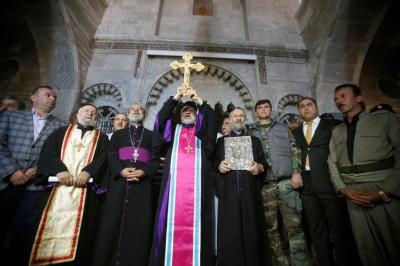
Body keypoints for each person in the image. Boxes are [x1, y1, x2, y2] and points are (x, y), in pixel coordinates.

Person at [328, 84, 400, 266]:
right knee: (367, 249)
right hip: (353, 195)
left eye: (343, 96)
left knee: (394, 244)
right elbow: (332, 162)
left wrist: (386, 191)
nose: (338, 101)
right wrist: (343, 190)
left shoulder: (384, 120)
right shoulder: (337, 131)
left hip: (385, 189)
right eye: (336, 98)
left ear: (359, 98)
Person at [28, 103, 109, 266]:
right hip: (57, 189)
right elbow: (49, 151)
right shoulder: (61, 133)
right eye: (87, 110)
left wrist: (88, 172)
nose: (91, 114)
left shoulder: (102, 138)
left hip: (85, 192)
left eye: (94, 113)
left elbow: (104, 158)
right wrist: (59, 170)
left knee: (82, 236)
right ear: (78, 114)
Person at [149, 90, 217, 266]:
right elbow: (159, 121)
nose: (187, 112)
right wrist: (174, 100)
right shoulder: (173, 131)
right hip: (173, 191)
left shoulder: (203, 132)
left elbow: (211, 122)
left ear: (197, 115)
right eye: (184, 110)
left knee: (200, 226)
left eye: (191, 110)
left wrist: (200, 101)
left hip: (199, 190)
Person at [0, 86, 65, 254]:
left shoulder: (61, 125)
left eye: (54, 97)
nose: (52, 99)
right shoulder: (10, 117)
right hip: (6, 180)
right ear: (33, 97)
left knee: (24, 228)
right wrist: (12, 171)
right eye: (48, 95)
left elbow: (59, 154)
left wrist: (39, 169)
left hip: (35, 184)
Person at [92, 104, 159, 266]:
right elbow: (112, 155)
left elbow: (155, 159)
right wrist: (121, 170)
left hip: (142, 185)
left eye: (140, 110)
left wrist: (144, 172)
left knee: (138, 224)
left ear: (144, 115)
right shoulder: (118, 134)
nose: (136, 111)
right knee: (111, 222)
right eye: (133, 109)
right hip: (119, 183)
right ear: (128, 114)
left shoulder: (151, 135)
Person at [248, 99, 309, 266]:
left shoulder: (283, 128)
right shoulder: (249, 131)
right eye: (259, 108)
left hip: (286, 182)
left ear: (271, 109)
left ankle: (301, 262)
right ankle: (280, 262)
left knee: (294, 226)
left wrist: (296, 172)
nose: (263, 110)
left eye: (266, 106)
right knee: (271, 229)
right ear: (256, 112)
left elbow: (295, 149)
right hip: (264, 185)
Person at [292, 97, 353, 266]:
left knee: (338, 227)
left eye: (309, 105)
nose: (306, 109)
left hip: (328, 182)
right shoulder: (295, 132)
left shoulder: (332, 126)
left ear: (317, 108)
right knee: (316, 229)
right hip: (307, 186)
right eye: (302, 106)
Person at [214, 107, 271, 266]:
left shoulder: (254, 141)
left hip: (250, 193)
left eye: (241, 116)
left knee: (253, 231)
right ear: (229, 120)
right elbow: (213, 165)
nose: (238, 118)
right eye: (235, 116)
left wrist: (258, 167)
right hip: (229, 194)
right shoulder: (220, 142)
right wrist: (219, 166)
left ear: (245, 119)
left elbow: (263, 165)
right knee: (231, 233)